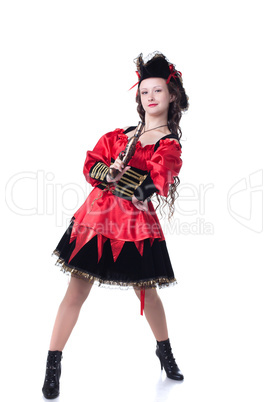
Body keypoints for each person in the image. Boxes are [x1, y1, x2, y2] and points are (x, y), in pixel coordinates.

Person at [42, 51, 189, 399]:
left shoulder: (169, 145)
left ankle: (164, 351)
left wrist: (132, 182)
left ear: (171, 95)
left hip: (134, 228)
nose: (150, 97)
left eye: (157, 91)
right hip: (96, 220)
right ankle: (52, 364)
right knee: (76, 291)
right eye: (144, 92)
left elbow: (158, 178)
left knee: (147, 293)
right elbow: (92, 162)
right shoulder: (119, 136)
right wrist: (106, 171)